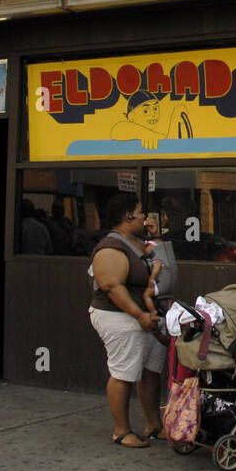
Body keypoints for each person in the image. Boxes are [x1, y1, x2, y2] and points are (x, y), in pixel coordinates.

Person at [88, 192, 166, 448]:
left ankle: (154, 425)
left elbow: (156, 259)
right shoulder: (111, 247)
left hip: (144, 316)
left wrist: (155, 237)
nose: (144, 217)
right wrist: (139, 315)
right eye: (141, 212)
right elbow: (112, 286)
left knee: (150, 370)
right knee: (124, 371)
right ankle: (121, 431)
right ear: (127, 216)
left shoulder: (133, 241)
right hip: (119, 316)